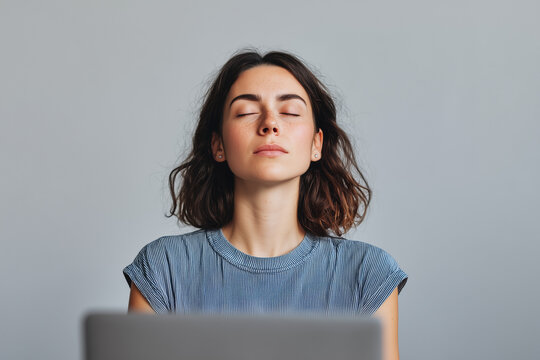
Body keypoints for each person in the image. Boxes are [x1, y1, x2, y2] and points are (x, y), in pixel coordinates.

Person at [123, 49, 408, 360]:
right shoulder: (163, 268)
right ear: (218, 145)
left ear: (316, 144)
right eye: (246, 112)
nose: (270, 124)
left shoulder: (367, 274)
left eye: (290, 112)